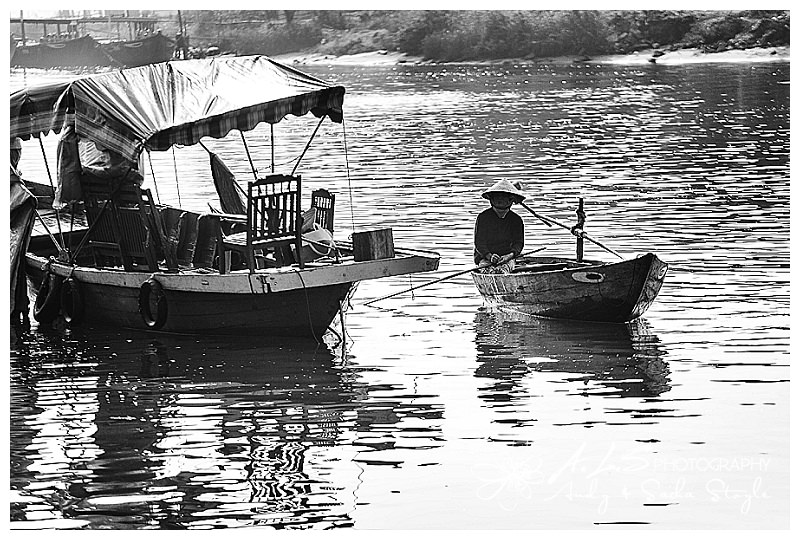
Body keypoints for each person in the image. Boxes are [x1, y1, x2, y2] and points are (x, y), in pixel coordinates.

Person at [474, 179, 526, 274]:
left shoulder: (516, 220)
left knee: (503, 271)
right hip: (485, 257)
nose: (500, 200)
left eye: (504, 197)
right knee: (488, 271)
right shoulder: (483, 217)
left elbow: (518, 243)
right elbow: (479, 243)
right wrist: (489, 256)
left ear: (511, 200)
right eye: (497, 197)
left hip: (507, 256)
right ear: (491, 199)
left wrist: (509, 256)